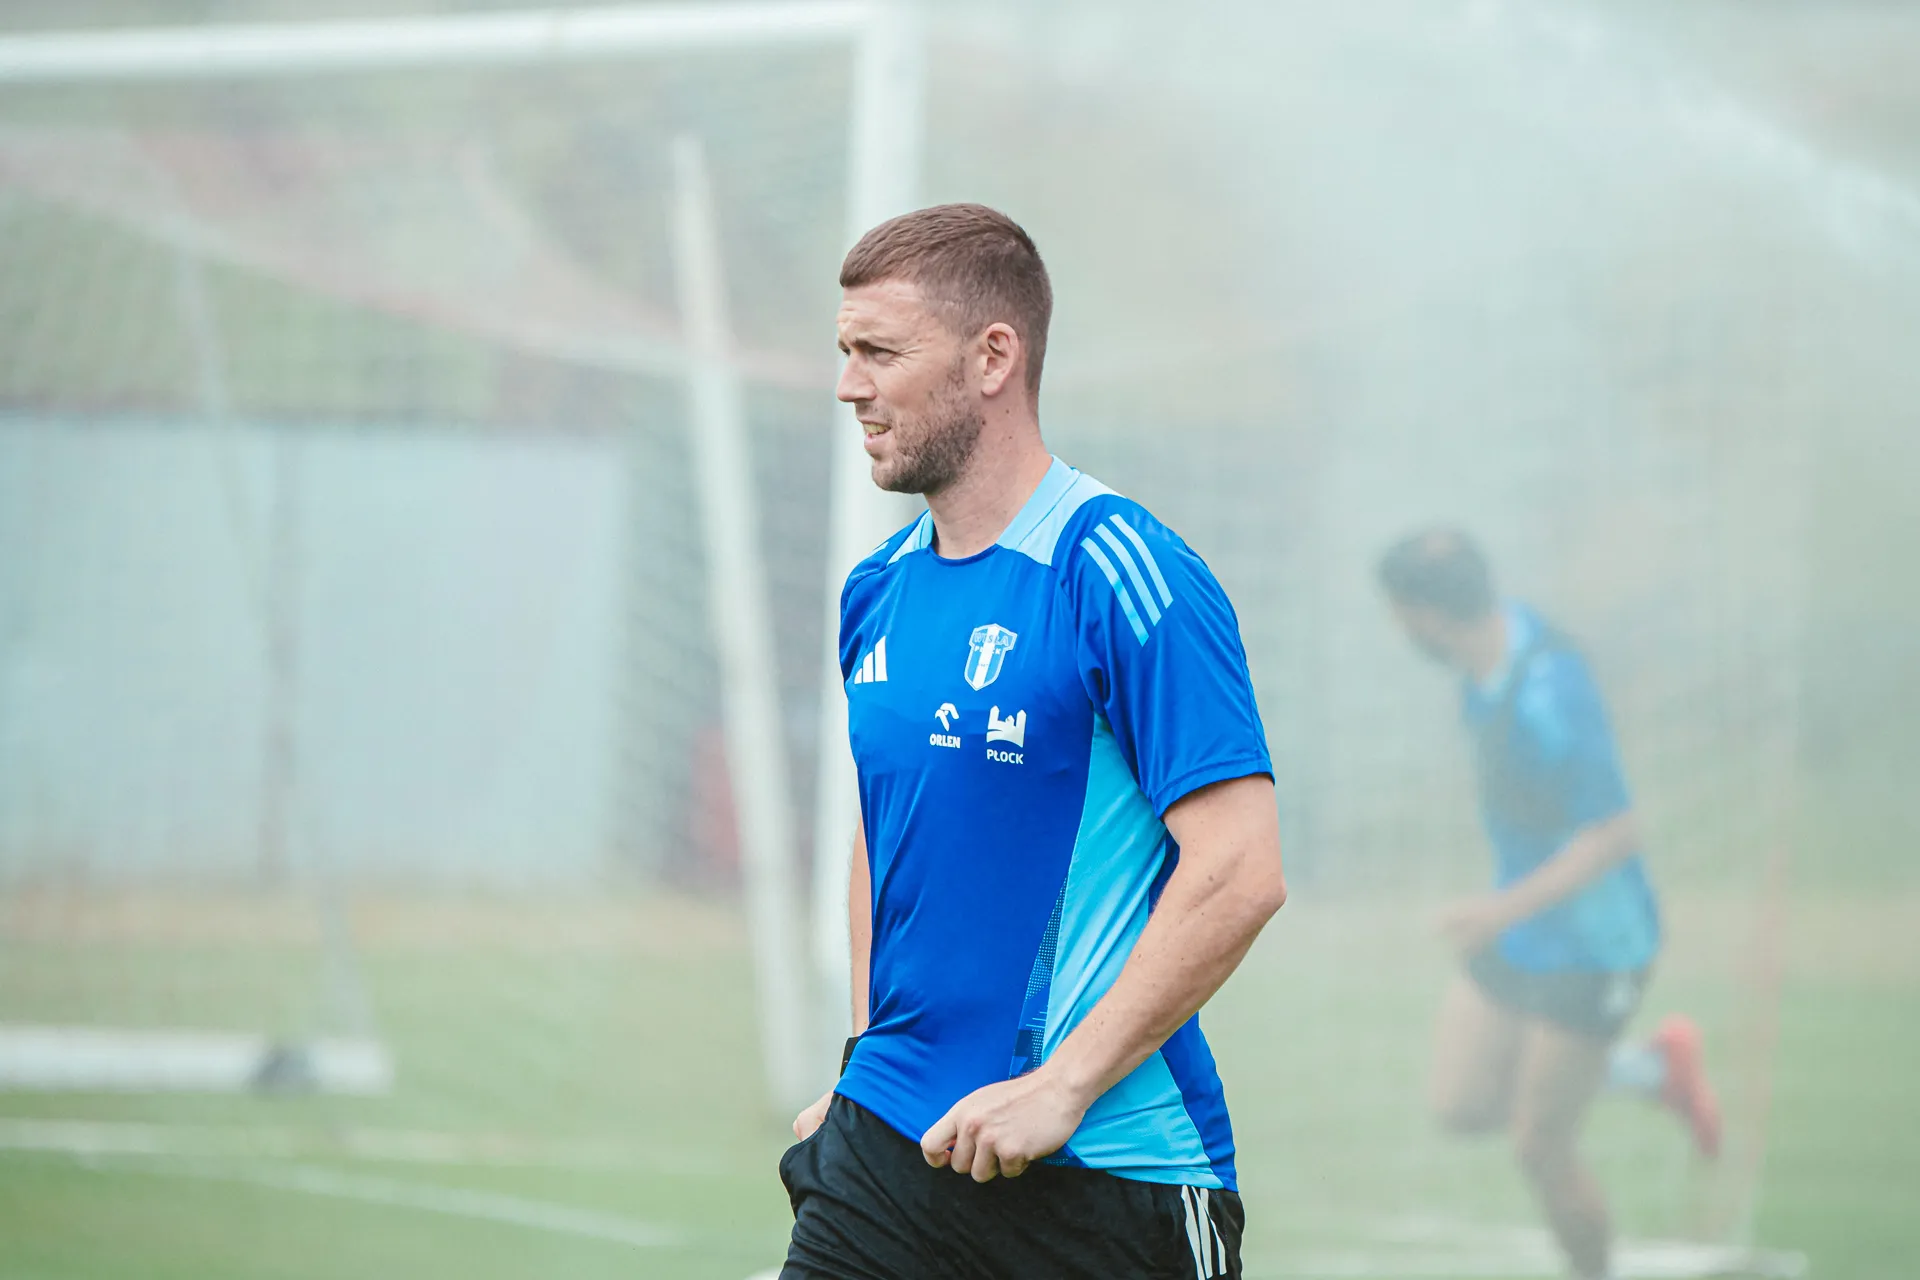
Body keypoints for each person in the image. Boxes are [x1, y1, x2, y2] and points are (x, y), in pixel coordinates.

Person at [778, 203, 1287, 1280]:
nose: (849, 386)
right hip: (889, 1151)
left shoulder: (1121, 569)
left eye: (881, 353)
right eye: (844, 351)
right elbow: (886, 837)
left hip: (1110, 1178)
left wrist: (1061, 1086)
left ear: (992, 357)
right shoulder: (877, 591)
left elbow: (1241, 869)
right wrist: (870, 1055)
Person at [1376, 529, 1723, 1280]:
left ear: (1429, 615)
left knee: (1539, 1142)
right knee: (1461, 1105)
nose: (1401, 634)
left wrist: (1499, 911)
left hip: (1598, 945)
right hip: (1525, 928)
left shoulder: (1550, 690)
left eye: (1400, 616)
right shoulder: (1487, 664)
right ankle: (1648, 1071)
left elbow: (1617, 832)